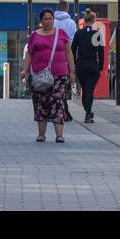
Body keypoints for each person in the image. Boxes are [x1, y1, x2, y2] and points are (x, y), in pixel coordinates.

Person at [23, 8, 77, 143]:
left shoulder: (62, 34)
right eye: (45, 19)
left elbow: (69, 53)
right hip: (39, 76)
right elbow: (29, 53)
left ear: (54, 20)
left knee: (58, 102)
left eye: (50, 18)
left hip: (60, 75)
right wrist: (25, 70)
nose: (48, 21)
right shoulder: (35, 35)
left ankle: (59, 135)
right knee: (41, 103)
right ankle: (41, 134)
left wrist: (72, 71)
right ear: (41, 21)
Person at [72, 10, 104, 123]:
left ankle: (88, 111)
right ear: (94, 20)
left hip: (81, 65)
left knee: (85, 90)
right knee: (90, 89)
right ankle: (88, 113)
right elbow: (101, 52)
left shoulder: (79, 33)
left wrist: (74, 62)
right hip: (93, 65)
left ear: (84, 21)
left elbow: (73, 48)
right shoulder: (97, 34)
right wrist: (100, 66)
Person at [52, 1, 78, 121]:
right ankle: (64, 111)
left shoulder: (53, 22)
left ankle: (61, 111)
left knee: (54, 86)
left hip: (52, 58)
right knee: (63, 87)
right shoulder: (71, 23)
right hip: (66, 58)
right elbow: (73, 42)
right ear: (67, 9)